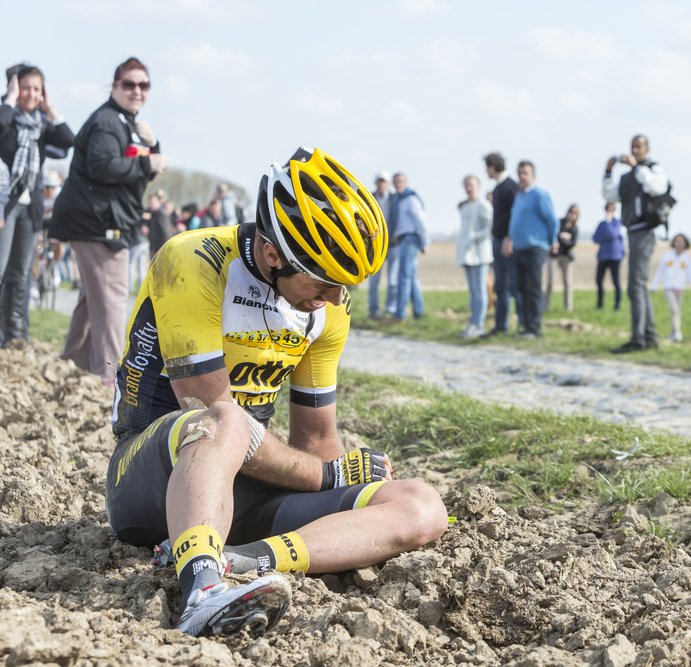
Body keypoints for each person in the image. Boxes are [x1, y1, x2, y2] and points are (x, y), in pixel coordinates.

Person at [105, 146, 448, 638]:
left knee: (421, 504)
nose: (335, 299)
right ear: (273, 254)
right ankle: (202, 592)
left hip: (245, 488)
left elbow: (316, 436)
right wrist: (324, 475)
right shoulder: (194, 260)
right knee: (223, 420)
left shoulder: (329, 306)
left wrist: (345, 489)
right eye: (326, 282)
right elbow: (209, 411)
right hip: (149, 479)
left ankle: (239, 562)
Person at [49, 57, 167, 384]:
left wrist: (152, 147)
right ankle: (107, 378)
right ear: (114, 86)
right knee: (112, 300)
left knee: (93, 301)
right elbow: (103, 166)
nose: (136, 90)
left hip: (100, 219)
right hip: (99, 223)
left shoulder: (124, 122)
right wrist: (148, 162)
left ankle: (74, 364)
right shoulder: (107, 121)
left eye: (143, 85)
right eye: (128, 84)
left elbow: (134, 170)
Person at [0, 64, 75, 346]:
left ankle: (15, 334)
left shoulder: (41, 125)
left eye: (36, 89)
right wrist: (8, 99)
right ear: (15, 89)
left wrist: (51, 108)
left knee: (20, 274)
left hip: (29, 209)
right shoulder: (7, 118)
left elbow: (69, 140)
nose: (31, 94)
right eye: (26, 88)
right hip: (4, 204)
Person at [602, 134, 670, 353]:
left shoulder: (653, 168)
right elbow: (610, 196)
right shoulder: (627, 177)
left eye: (639, 147)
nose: (635, 150)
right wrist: (608, 171)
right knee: (639, 285)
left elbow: (657, 188)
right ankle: (649, 337)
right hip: (632, 231)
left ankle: (638, 338)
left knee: (635, 286)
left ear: (647, 149)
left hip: (646, 232)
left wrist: (638, 168)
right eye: (632, 147)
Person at [508, 160, 558, 339]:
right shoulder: (520, 196)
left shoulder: (539, 195)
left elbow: (552, 219)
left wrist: (553, 240)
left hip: (536, 247)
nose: (521, 176)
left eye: (525, 173)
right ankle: (525, 325)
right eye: (519, 172)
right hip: (519, 248)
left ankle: (534, 328)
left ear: (533, 176)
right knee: (520, 289)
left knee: (533, 288)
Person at [483, 152, 521, 336]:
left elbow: (515, 214)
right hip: (497, 240)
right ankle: (500, 326)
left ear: (493, 166)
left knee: (514, 286)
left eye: (487, 167)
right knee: (500, 287)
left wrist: (510, 237)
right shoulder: (497, 189)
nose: (486, 171)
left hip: (507, 242)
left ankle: (523, 325)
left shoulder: (509, 187)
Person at [456, 174, 493, 338]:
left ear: (477, 186)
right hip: (467, 254)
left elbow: (488, 228)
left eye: (471, 184)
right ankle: (473, 321)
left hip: (480, 254)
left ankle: (479, 324)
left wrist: (474, 237)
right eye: (466, 185)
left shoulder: (484, 205)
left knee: (480, 290)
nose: (469, 188)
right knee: (472, 291)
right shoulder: (464, 207)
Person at [389, 171, 428, 321]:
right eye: (396, 181)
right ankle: (419, 312)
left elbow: (421, 221)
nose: (398, 184)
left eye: (401, 181)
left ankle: (400, 314)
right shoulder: (398, 200)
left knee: (403, 277)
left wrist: (424, 242)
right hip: (403, 239)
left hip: (411, 239)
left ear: (406, 182)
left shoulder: (410, 199)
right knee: (411, 277)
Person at [650, 233, 691, 343]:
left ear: (685, 244)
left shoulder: (687, 258)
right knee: (674, 309)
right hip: (669, 287)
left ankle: (673, 334)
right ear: (674, 243)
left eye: (681, 241)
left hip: (680, 287)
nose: (679, 243)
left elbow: (690, 272)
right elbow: (660, 271)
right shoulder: (667, 256)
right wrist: (654, 285)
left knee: (675, 311)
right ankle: (677, 332)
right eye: (677, 241)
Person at [366, 171, 395, 319]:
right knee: (374, 279)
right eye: (379, 181)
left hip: (393, 244)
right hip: (377, 244)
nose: (381, 184)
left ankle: (390, 309)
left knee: (393, 279)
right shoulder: (369, 198)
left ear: (388, 183)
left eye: (384, 181)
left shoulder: (394, 199)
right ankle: (373, 310)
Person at [544, 203, 579, 312]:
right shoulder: (559, 223)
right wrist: (564, 237)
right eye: (571, 212)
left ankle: (568, 306)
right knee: (550, 282)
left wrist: (563, 238)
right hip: (554, 256)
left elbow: (572, 244)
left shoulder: (575, 228)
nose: (572, 215)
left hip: (567, 257)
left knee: (568, 282)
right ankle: (545, 306)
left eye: (575, 213)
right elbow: (554, 236)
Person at [593, 202, 625, 310]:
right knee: (599, 280)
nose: (610, 211)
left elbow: (612, 234)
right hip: (603, 256)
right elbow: (595, 238)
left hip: (615, 256)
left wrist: (608, 223)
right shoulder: (601, 224)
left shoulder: (617, 223)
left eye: (612, 209)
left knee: (616, 281)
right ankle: (600, 304)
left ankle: (617, 305)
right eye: (608, 209)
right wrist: (606, 231)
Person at [145, 189, 176, 256]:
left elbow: (166, 233)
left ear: (158, 202)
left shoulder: (161, 215)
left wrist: (163, 250)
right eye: (150, 202)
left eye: (153, 202)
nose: (151, 204)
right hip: (154, 247)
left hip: (160, 249)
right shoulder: (153, 213)